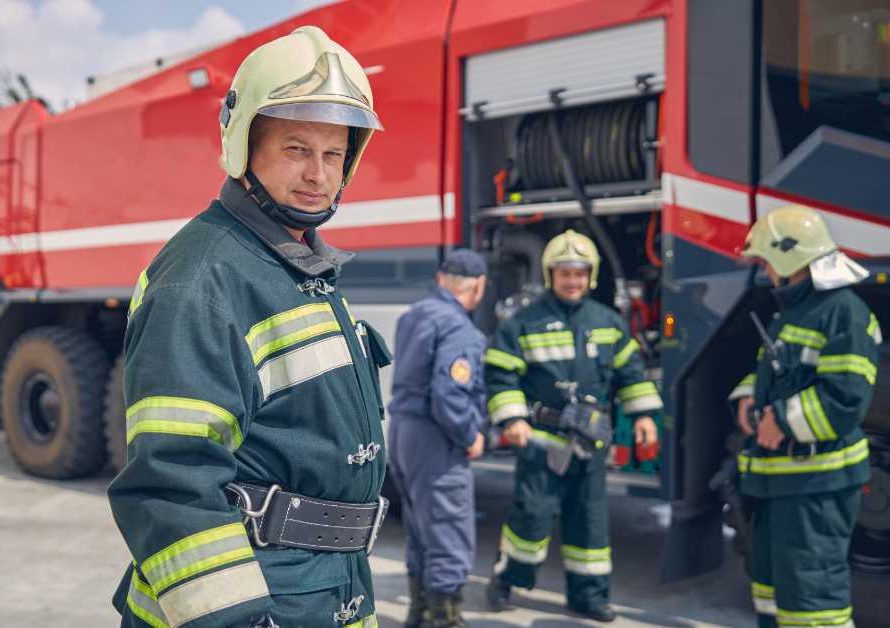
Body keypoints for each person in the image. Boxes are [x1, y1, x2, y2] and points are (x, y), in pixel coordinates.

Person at [108, 26, 391, 628]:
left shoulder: (300, 268)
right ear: (243, 145)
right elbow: (172, 483)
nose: (318, 174)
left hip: (325, 589)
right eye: (296, 149)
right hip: (258, 599)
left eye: (334, 154)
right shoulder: (201, 281)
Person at [481, 230, 660, 622]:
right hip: (542, 441)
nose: (572, 280)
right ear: (551, 275)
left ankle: (589, 597)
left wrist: (644, 416)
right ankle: (507, 580)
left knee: (590, 523)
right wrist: (512, 419)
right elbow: (500, 373)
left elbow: (631, 373)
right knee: (531, 517)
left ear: (591, 276)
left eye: (579, 273)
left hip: (590, 444)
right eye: (565, 273)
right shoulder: (523, 322)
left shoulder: (608, 322)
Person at [727, 205, 878, 628]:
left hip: (815, 488)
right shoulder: (795, 312)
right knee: (773, 595)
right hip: (781, 484)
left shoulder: (844, 313)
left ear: (790, 259)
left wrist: (781, 421)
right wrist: (747, 399)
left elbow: (846, 398)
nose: (765, 271)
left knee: (814, 602)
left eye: (767, 262)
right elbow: (774, 373)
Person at [388, 249, 489, 628]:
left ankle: (418, 614)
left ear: (441, 279)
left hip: (403, 431)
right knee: (448, 530)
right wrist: (469, 434)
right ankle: (445, 619)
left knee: (419, 528)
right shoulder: (459, 328)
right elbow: (449, 394)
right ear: (479, 286)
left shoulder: (413, 315)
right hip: (435, 436)